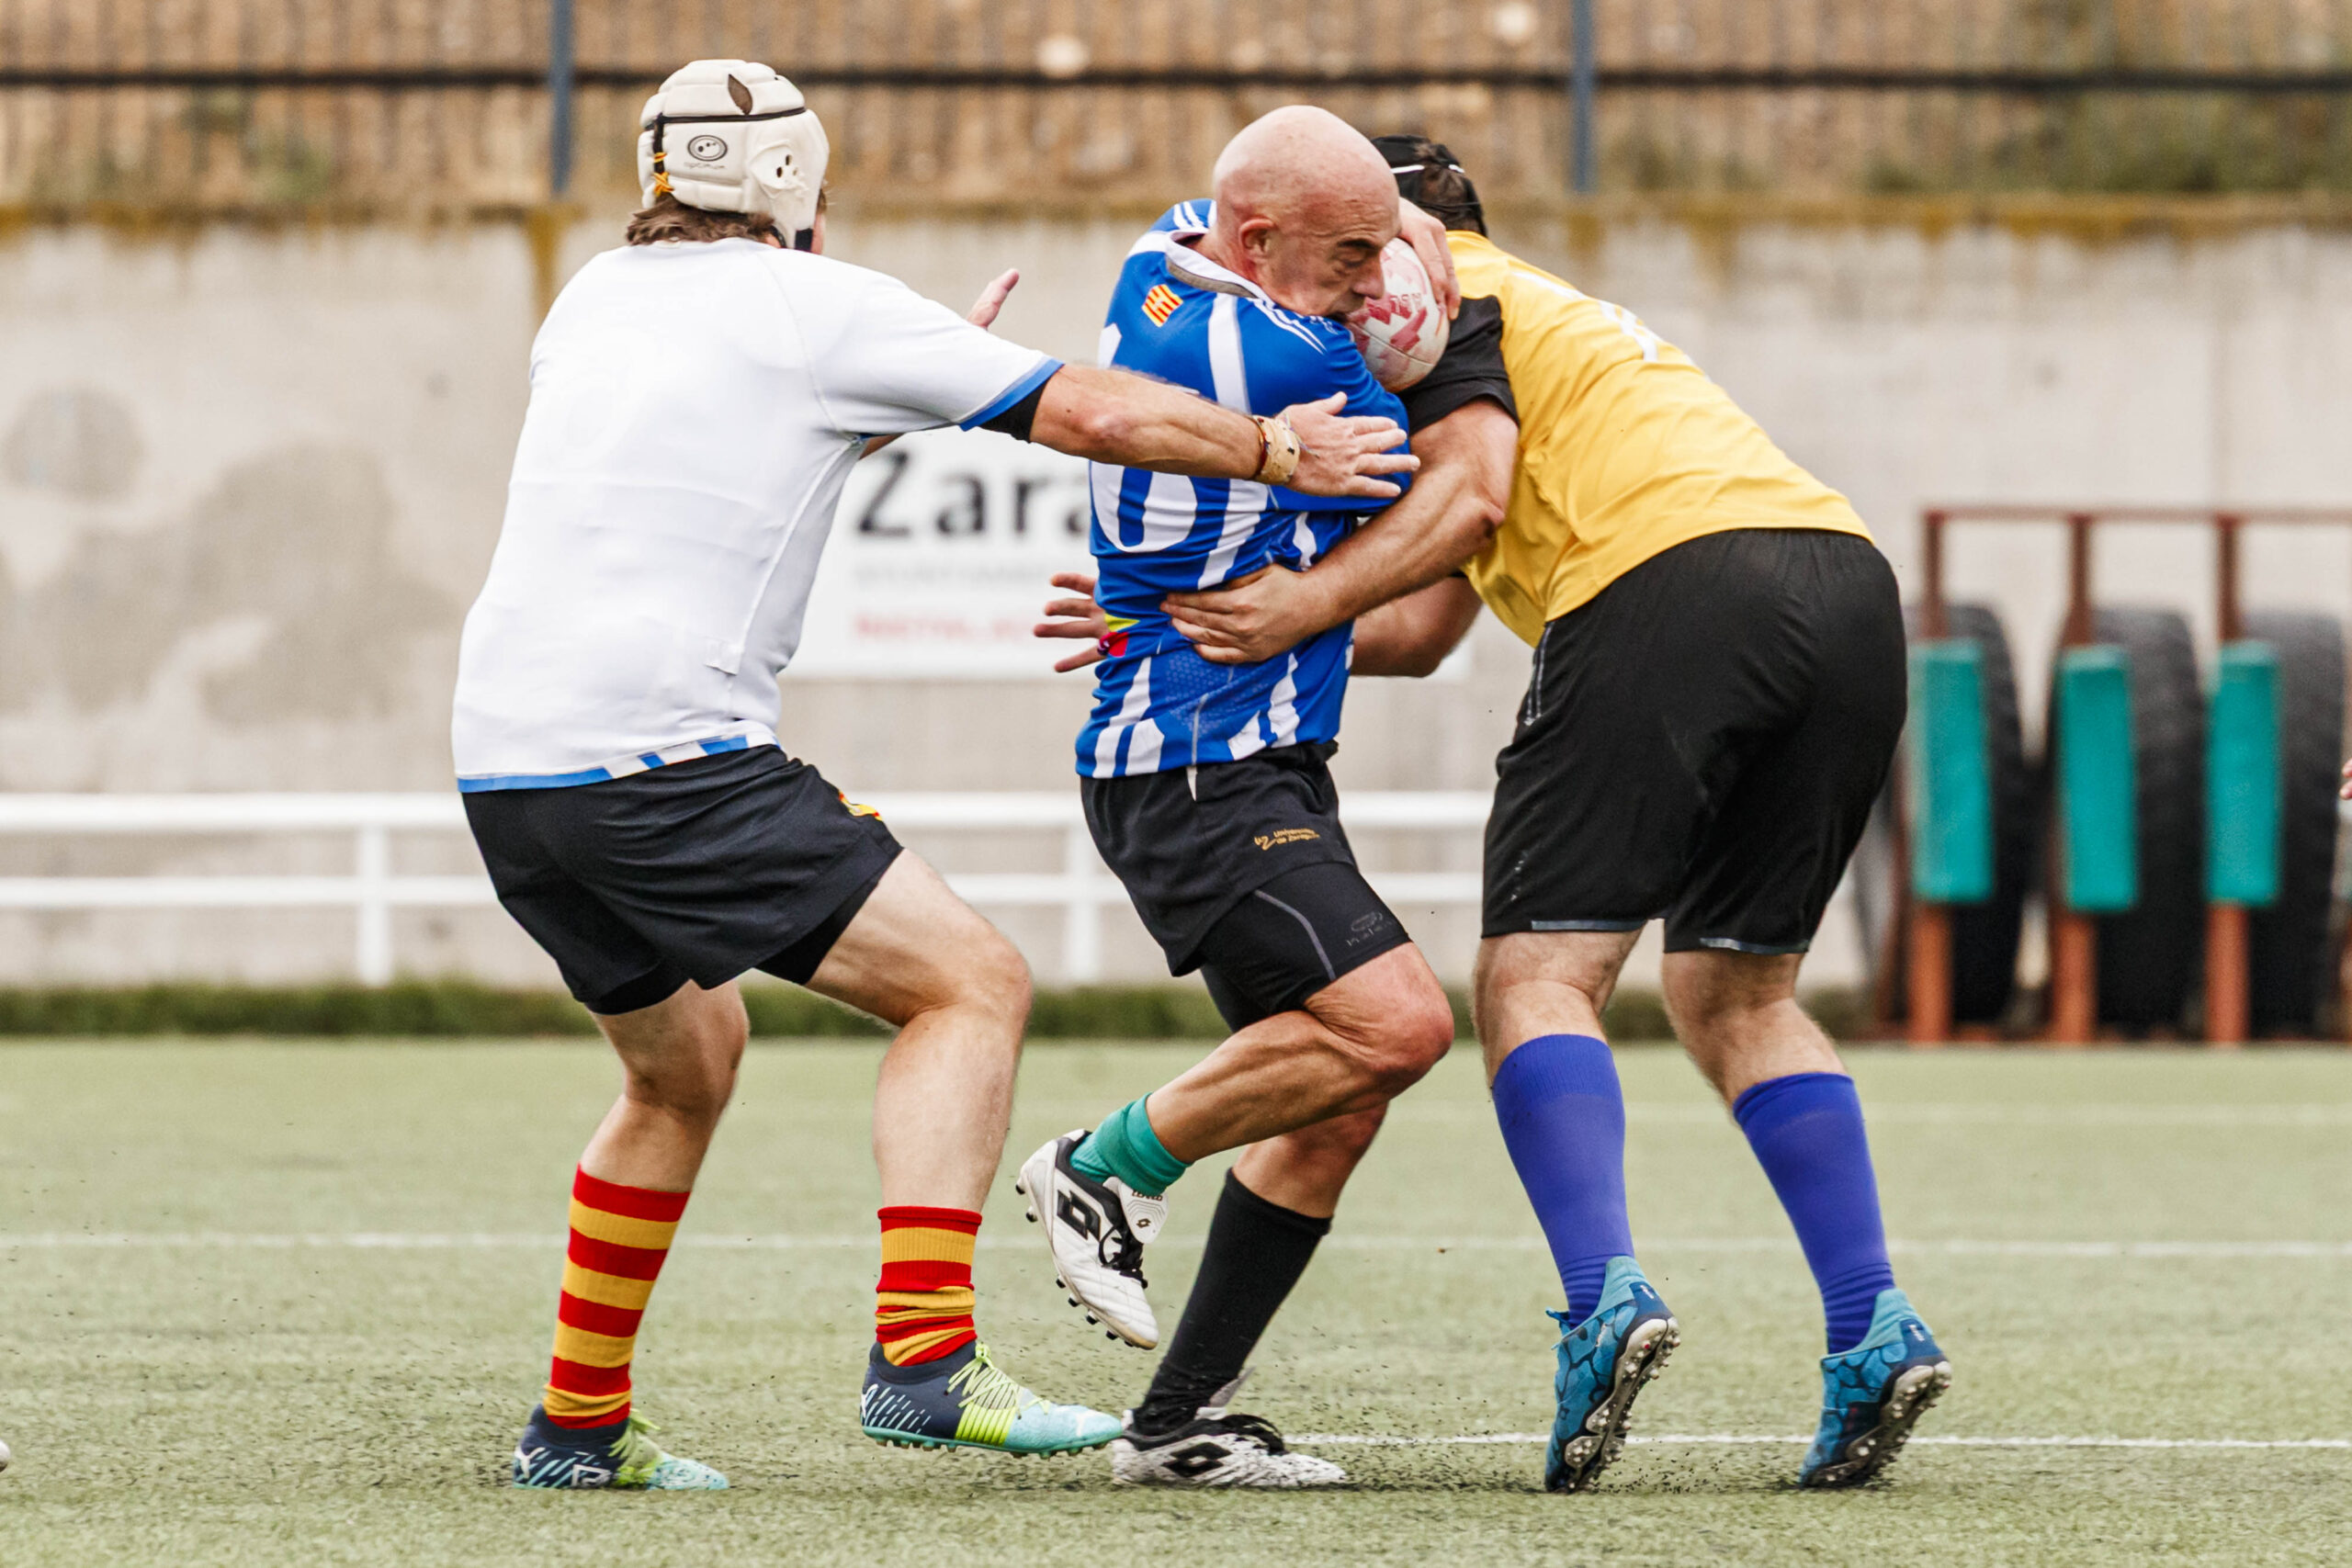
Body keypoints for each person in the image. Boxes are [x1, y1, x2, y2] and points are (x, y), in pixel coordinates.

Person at [450, 60, 1418, 1491]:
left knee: (685, 1066)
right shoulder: (825, 307)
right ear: (800, 194)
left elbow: (713, 435)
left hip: (505, 765)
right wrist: (1281, 449)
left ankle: (576, 1427)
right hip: (665, 753)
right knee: (970, 982)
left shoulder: (589, 297)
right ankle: (926, 1356)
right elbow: (1092, 411)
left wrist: (892, 394)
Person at [1151, 136, 1953, 1492]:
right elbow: (1416, 618)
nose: (1345, 284)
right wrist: (1238, 613)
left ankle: (1602, 1299)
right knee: (1736, 994)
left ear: (1397, 230)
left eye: (1358, 247)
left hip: (1664, 588)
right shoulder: (1547, 328)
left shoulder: (1423, 305)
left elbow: (1427, 528)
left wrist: (1266, 599)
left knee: (1535, 977)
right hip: (1845, 587)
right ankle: (1873, 1323)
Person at [1015, 107, 1462, 1488]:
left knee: (1337, 1095)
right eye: (1349, 258)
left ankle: (1177, 1425)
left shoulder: (1171, 255)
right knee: (1399, 1025)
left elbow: (1406, 607)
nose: (1371, 285)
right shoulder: (1291, 359)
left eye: (1380, 256)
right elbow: (1459, 509)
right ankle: (1107, 1165)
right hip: (1197, 771)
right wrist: (1462, 318)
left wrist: (1387, 229)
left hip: (1241, 756)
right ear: (1263, 244)